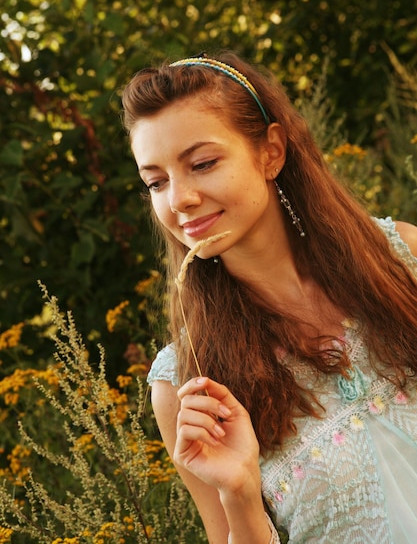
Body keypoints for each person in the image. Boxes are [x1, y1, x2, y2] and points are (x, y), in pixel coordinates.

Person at [122, 51, 417, 544]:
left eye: (202, 163)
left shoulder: (403, 259)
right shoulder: (189, 383)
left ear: (271, 152)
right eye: (156, 182)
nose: (179, 199)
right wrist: (238, 492)